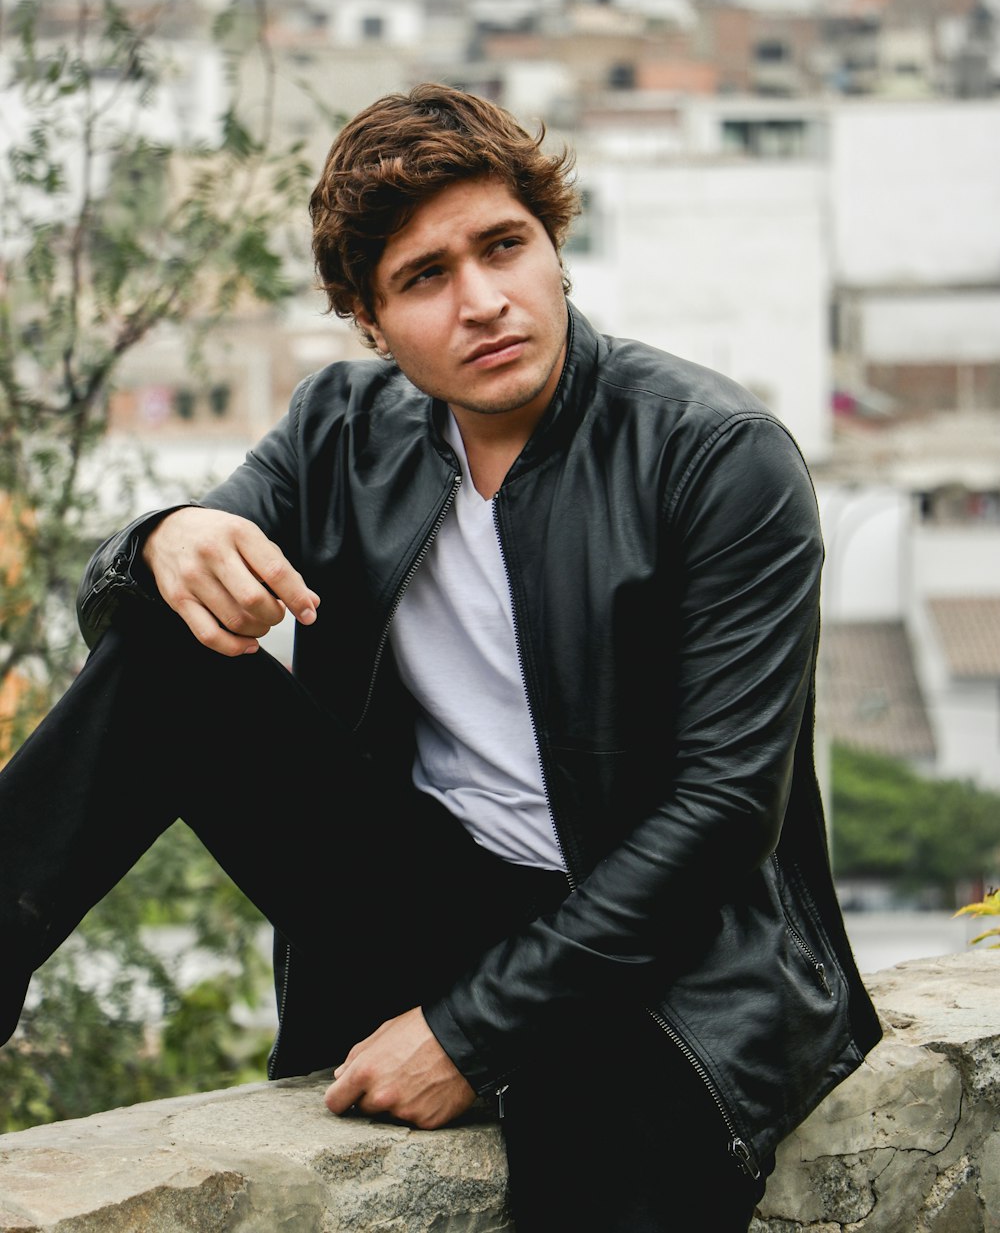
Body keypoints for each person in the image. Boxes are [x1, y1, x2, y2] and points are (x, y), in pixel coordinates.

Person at [0, 83, 881, 1231]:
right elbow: (159, 622)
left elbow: (720, 816)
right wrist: (160, 537)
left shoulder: (714, 456)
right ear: (371, 322)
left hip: (662, 963)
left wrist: (471, 1029)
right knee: (174, 640)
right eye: (425, 278)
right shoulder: (342, 429)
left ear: (553, 247)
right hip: (434, 897)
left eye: (503, 247)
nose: (484, 301)